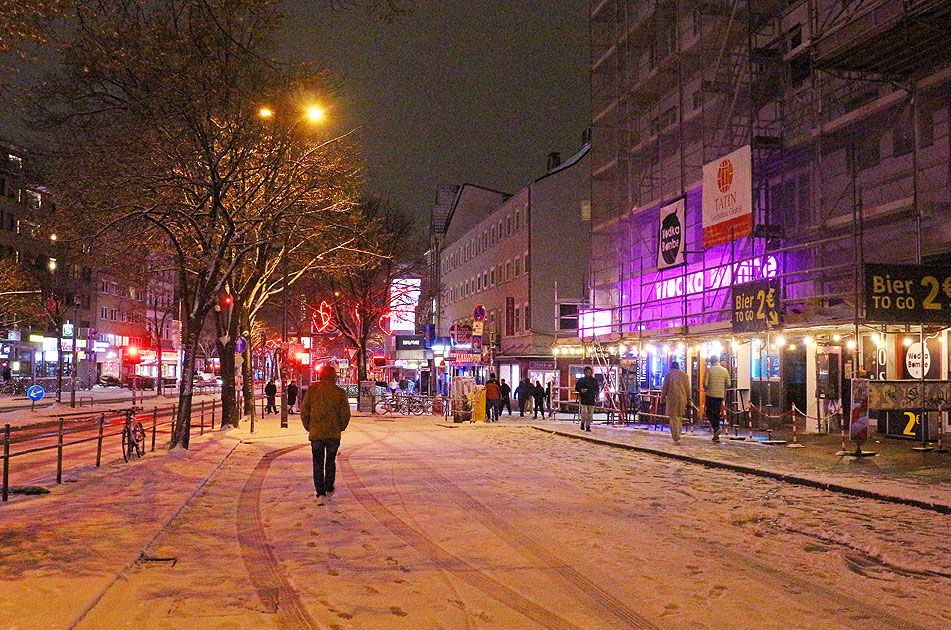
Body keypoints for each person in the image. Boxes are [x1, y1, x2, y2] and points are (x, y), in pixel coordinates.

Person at [300, 364, 351, 504]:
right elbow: (345, 413)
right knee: (330, 461)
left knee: (317, 462)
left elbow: (304, 411)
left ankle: (320, 493)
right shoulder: (339, 392)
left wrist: (309, 427)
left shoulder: (312, 390)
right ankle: (329, 487)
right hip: (333, 434)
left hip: (316, 433)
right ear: (334, 376)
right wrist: (340, 427)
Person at [660, 361, 690, 444]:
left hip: (672, 399)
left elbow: (664, 388)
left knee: (673, 418)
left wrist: (662, 400)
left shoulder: (669, 375)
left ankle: (676, 436)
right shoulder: (684, 375)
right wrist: (689, 401)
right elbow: (688, 389)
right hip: (683, 399)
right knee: (679, 417)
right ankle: (678, 434)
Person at [704, 356, 731, 442]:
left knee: (709, 412)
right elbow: (729, 384)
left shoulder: (709, 370)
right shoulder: (724, 370)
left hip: (710, 394)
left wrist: (706, 389)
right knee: (716, 412)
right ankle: (716, 433)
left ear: (711, 361)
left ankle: (716, 428)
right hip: (720, 395)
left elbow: (705, 384)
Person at [575, 367, 599, 431]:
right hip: (584, 398)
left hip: (591, 398)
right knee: (584, 412)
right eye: (586, 372)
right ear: (584, 372)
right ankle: (582, 423)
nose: (588, 373)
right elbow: (576, 388)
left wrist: (597, 396)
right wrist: (581, 390)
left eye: (589, 372)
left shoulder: (593, 380)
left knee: (590, 413)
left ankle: (588, 426)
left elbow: (597, 389)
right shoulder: (581, 380)